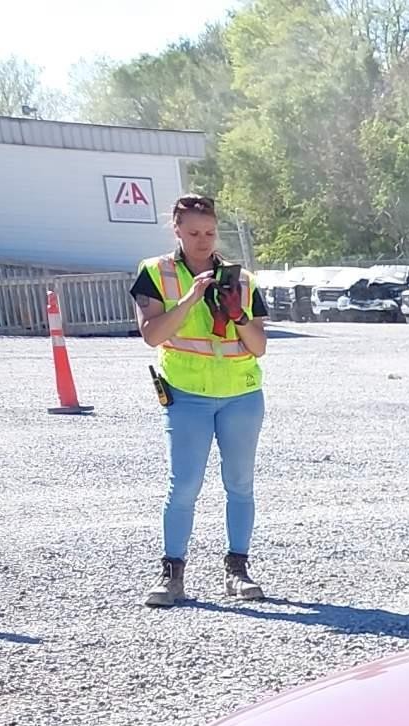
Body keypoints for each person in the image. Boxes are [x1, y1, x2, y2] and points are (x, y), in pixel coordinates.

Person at [133, 194, 270, 607]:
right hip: (187, 395)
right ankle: (172, 575)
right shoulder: (155, 273)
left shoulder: (242, 279)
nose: (202, 240)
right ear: (176, 230)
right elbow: (152, 335)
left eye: (209, 232)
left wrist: (239, 316)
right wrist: (192, 298)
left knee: (240, 484)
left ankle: (238, 571)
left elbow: (259, 346)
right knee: (185, 486)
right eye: (193, 233)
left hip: (241, 393)